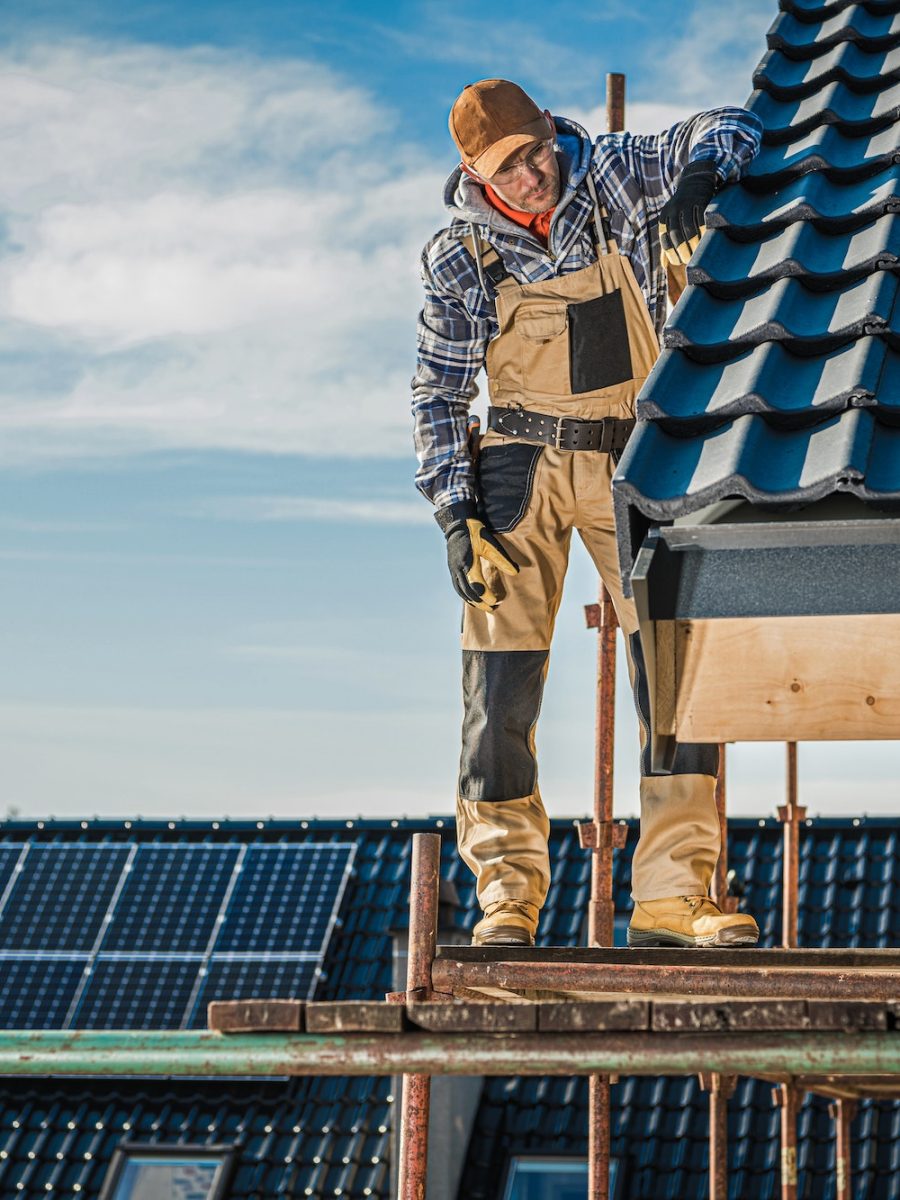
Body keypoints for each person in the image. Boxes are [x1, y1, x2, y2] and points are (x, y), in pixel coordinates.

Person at [412, 78, 763, 948]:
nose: (538, 174)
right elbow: (439, 390)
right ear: (476, 174)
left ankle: (673, 896)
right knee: (500, 687)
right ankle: (507, 894)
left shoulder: (609, 174)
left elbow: (734, 125)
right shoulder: (458, 257)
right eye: (514, 167)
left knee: (676, 674)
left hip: (629, 458)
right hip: (516, 471)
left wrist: (697, 180)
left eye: (540, 152)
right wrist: (455, 513)